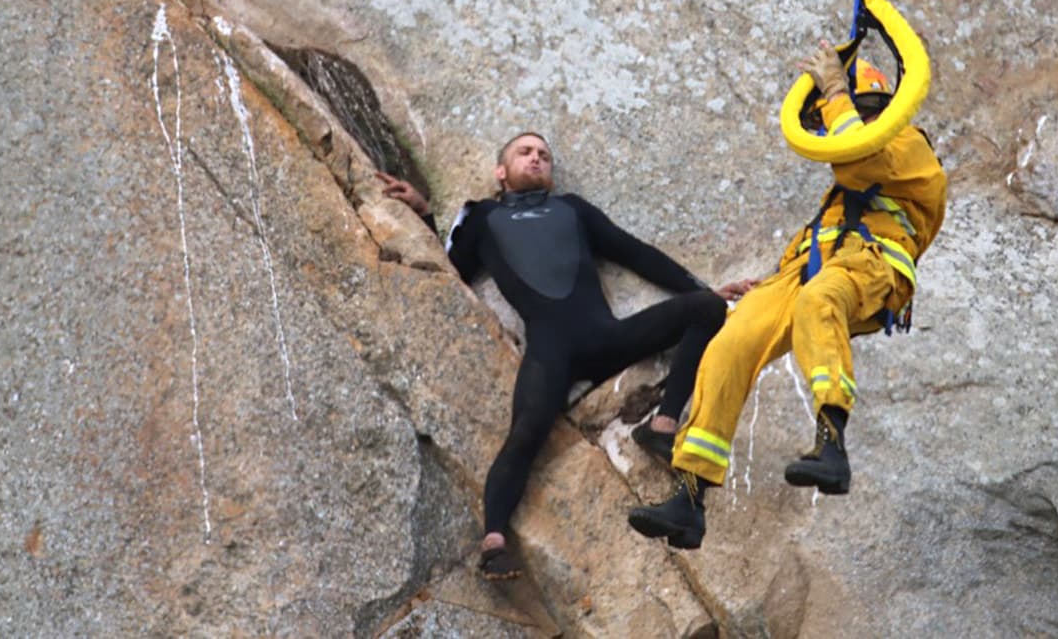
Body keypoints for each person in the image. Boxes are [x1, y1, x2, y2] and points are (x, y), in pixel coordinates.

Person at [378, 132, 747, 579]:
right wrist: (423, 212)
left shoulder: (573, 209)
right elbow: (449, 270)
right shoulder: (481, 217)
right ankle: (494, 542)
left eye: (544, 155)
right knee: (524, 434)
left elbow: (635, 253)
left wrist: (700, 288)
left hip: (610, 339)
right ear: (501, 171)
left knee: (706, 309)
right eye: (525, 152)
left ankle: (662, 426)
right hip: (552, 354)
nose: (536, 158)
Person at [627, 42, 947, 550]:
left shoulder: (909, 146)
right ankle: (689, 498)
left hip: (872, 266)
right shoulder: (848, 180)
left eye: (849, 109)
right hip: (809, 268)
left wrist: (835, 90)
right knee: (732, 342)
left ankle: (832, 444)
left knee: (818, 303)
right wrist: (771, 281)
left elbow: (856, 163)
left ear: (877, 109)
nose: (837, 118)